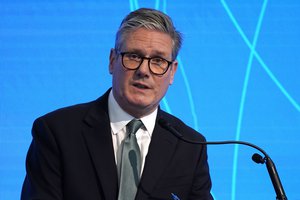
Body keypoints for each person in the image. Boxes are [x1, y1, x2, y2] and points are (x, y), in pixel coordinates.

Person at [21, 8, 213, 200]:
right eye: (134, 56)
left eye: (158, 60)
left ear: (172, 72)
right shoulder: (57, 131)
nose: (144, 70)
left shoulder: (190, 146)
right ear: (112, 61)